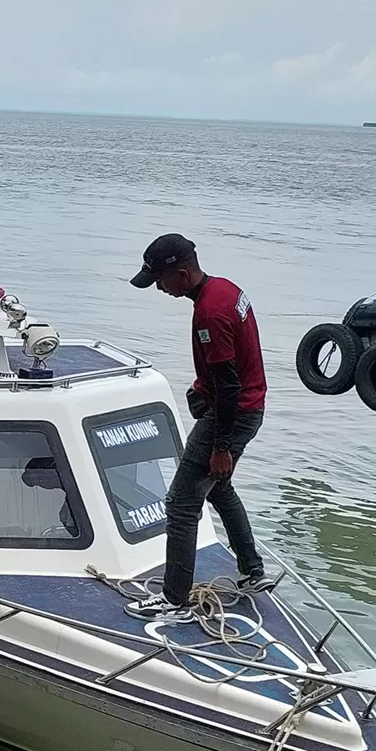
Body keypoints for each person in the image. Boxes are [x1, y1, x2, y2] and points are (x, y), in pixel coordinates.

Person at [125, 233, 271, 622]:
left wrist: (221, 444)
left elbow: (228, 384)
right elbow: (230, 370)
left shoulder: (210, 313)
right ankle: (253, 571)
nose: (158, 287)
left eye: (161, 279)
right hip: (248, 408)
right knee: (219, 487)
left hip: (231, 414)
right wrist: (199, 388)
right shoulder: (225, 289)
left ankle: (174, 600)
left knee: (181, 504)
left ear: (183, 274)